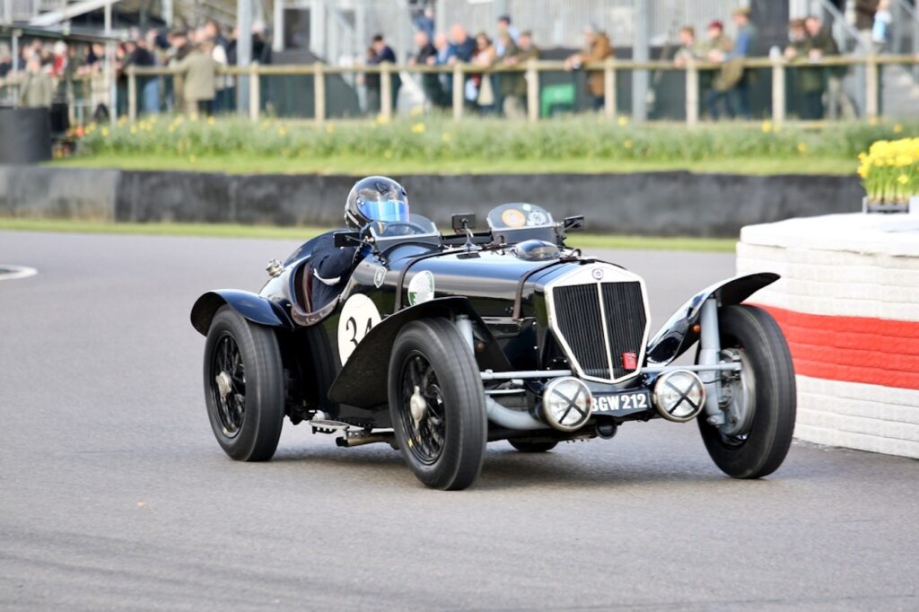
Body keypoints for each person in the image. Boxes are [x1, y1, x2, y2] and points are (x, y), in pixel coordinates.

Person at [309, 176, 409, 310]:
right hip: (337, 314)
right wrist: (360, 246)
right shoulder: (331, 241)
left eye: (394, 211)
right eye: (381, 212)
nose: (389, 221)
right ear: (357, 212)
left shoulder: (401, 246)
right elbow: (327, 272)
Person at [564, 24, 613, 110]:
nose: (586, 37)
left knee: (603, 108)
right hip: (594, 85)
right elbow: (584, 55)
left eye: (588, 34)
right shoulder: (591, 44)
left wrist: (580, 59)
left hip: (605, 85)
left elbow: (596, 57)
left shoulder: (602, 42)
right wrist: (572, 59)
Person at [785, 19, 824, 119]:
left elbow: (810, 52)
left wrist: (795, 54)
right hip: (802, 82)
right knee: (806, 109)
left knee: (815, 107)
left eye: (798, 29)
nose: (796, 31)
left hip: (814, 81)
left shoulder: (811, 40)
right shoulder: (795, 42)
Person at [701, 20, 735, 119]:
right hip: (719, 78)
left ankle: (716, 121)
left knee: (711, 100)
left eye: (711, 30)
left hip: (726, 77)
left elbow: (730, 54)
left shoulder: (725, 41)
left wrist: (718, 55)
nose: (709, 32)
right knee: (727, 104)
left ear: (718, 30)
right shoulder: (713, 42)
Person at [174, 41, 219, 115]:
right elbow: (220, 67)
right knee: (208, 116)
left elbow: (178, 69)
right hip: (208, 92)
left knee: (194, 116)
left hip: (192, 93)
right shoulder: (208, 59)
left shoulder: (189, 59)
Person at [500, 30, 537, 118]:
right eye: (522, 39)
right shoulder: (514, 48)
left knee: (510, 106)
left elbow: (531, 54)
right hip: (514, 87)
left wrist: (516, 59)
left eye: (526, 39)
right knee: (515, 108)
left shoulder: (533, 49)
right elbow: (503, 58)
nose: (524, 41)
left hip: (524, 87)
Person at [409, 30, 445, 108]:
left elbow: (425, 60)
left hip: (432, 80)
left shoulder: (431, 47)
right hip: (428, 79)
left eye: (419, 41)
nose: (418, 43)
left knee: (432, 99)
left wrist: (417, 61)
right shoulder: (422, 49)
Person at [366, 34, 401, 114]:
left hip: (393, 80)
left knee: (391, 102)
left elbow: (377, 61)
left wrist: (369, 62)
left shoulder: (387, 51)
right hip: (388, 82)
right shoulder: (380, 52)